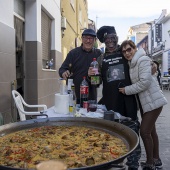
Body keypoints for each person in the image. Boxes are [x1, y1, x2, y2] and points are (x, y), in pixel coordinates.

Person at [88, 26, 141, 170]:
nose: (111, 41)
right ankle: (115, 163)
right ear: (104, 41)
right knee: (112, 135)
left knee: (133, 135)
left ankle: (133, 165)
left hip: (128, 101)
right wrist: (91, 75)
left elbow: (141, 60)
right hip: (110, 103)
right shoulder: (101, 58)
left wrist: (153, 64)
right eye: (107, 39)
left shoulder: (125, 52)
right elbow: (97, 82)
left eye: (113, 37)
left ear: (117, 37)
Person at [119, 40, 167, 170]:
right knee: (152, 131)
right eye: (124, 51)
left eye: (129, 49)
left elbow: (144, 83)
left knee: (144, 132)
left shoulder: (142, 59)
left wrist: (127, 90)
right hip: (146, 103)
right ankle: (157, 160)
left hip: (154, 102)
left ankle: (150, 163)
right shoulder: (132, 63)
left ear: (134, 48)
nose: (127, 53)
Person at [59, 28, 102, 104]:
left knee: (90, 115)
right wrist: (63, 72)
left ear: (95, 40)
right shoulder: (73, 53)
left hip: (91, 97)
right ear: (82, 39)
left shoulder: (99, 54)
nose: (88, 41)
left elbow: (101, 77)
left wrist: (92, 76)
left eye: (91, 38)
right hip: (75, 96)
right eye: (85, 38)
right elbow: (62, 68)